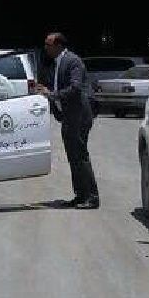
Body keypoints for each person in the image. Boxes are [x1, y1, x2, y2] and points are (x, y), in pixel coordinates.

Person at [35, 32, 99, 209]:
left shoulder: (72, 61)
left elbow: (75, 88)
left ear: (58, 45)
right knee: (73, 158)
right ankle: (80, 195)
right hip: (68, 117)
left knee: (80, 156)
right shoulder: (57, 63)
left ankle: (92, 197)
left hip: (78, 115)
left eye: (48, 45)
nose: (45, 48)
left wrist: (52, 95)